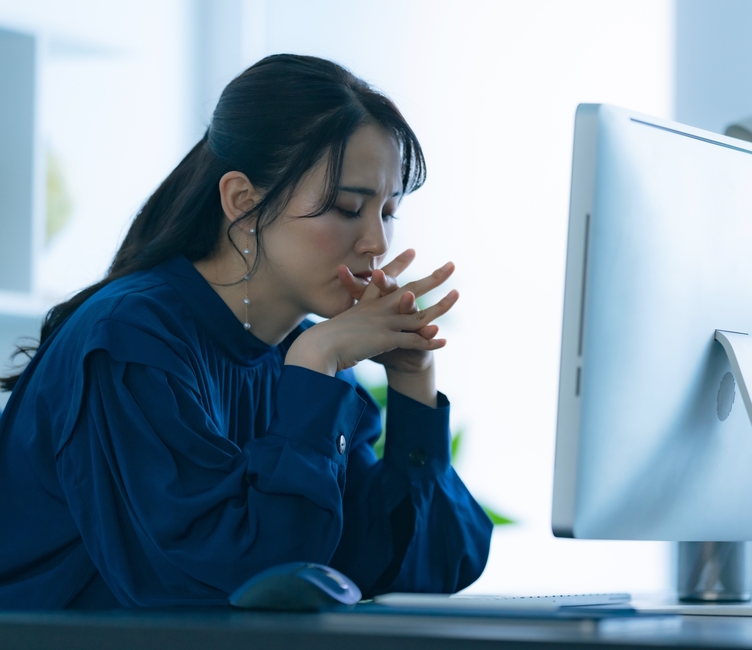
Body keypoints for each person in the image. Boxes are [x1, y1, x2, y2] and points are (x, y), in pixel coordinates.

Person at [0, 54, 492, 609]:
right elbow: (244, 590)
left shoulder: (303, 354)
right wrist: (314, 365)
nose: (376, 242)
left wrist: (413, 383)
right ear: (243, 201)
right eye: (347, 208)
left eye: (388, 211)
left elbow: (423, 568)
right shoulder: (131, 340)